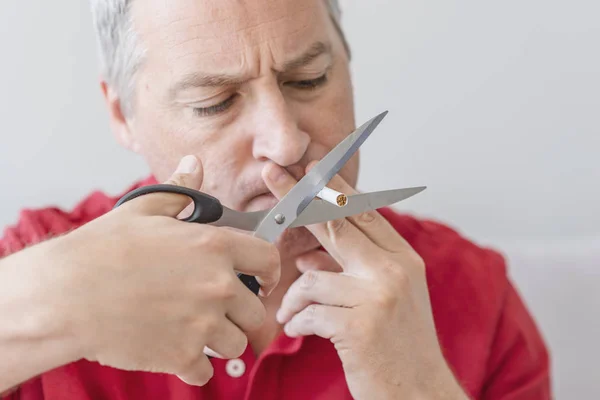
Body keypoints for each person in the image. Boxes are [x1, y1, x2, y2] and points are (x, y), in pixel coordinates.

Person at [0, 0, 552, 399]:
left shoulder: (476, 296)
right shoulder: (30, 259)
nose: (285, 140)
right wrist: (61, 301)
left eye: (310, 79)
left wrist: (419, 387)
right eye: (214, 101)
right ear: (122, 114)